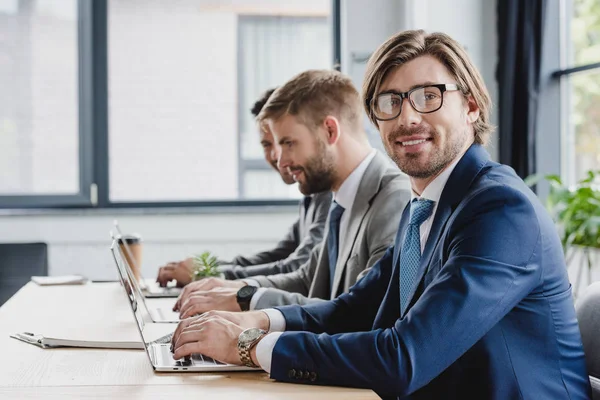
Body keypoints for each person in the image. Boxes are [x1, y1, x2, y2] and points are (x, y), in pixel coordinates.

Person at [170, 30, 592, 399]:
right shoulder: (424, 206)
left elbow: (403, 356)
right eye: (390, 101)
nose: (407, 116)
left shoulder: (499, 209)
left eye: (430, 96)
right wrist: (255, 318)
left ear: (471, 106)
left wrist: (247, 345)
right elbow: (350, 310)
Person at [173, 70, 410, 318]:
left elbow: (360, 312)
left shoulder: (394, 200)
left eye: (288, 143)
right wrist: (234, 288)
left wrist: (248, 300)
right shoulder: (343, 198)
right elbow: (307, 279)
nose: (281, 161)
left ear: (330, 131)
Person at [155, 88, 332, 287]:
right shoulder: (312, 195)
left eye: (285, 143)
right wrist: (207, 270)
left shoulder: (329, 195)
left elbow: (296, 267)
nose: (277, 157)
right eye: (267, 145)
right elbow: (278, 256)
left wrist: (207, 276)